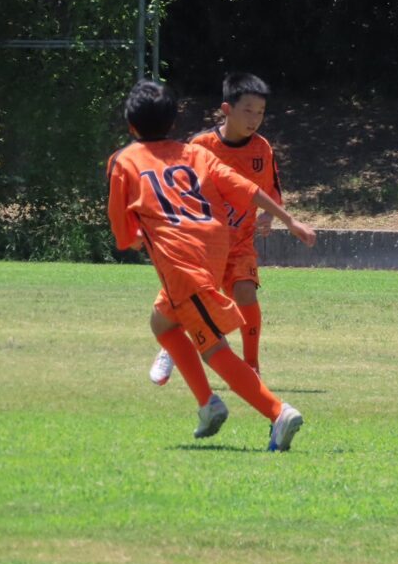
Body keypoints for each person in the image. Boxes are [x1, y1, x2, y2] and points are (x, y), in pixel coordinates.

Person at [108, 79, 317, 451]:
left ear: (131, 126)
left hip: (184, 264)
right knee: (161, 323)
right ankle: (207, 404)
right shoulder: (196, 153)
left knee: (213, 349)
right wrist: (290, 221)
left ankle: (278, 413)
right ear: (173, 122)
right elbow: (247, 188)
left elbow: (123, 233)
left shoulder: (123, 161)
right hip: (215, 248)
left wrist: (139, 235)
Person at [149, 72, 282, 385]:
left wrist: (269, 214)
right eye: (247, 111)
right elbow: (177, 190)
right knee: (187, 299)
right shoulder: (200, 146)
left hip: (240, 243)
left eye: (260, 112)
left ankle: (252, 367)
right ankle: (172, 345)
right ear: (226, 109)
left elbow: (272, 189)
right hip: (202, 246)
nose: (254, 119)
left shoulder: (262, 149)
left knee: (245, 291)